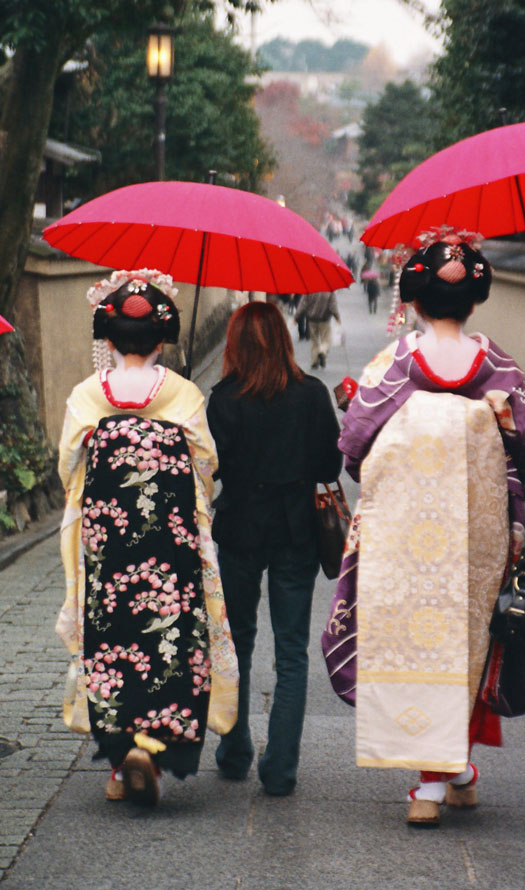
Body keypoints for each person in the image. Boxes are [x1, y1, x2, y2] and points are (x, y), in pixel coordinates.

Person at [323, 235, 525, 825]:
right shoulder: (499, 364)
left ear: (415, 300)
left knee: (414, 632)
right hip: (482, 526)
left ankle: (431, 782)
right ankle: (454, 769)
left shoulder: (395, 363)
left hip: (405, 529)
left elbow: (354, 443)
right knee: (470, 635)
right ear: (475, 302)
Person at [56, 269, 238, 806]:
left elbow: (69, 465)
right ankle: (153, 748)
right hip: (170, 545)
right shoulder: (181, 394)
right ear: (162, 339)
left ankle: (118, 764)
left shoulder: (89, 395)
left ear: (107, 339)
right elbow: (206, 463)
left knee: (113, 637)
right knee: (170, 637)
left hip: (108, 545)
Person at [207, 301, 342, 796]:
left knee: (237, 641)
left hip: (241, 527)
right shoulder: (310, 395)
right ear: (285, 339)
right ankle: (281, 767)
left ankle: (235, 748)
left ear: (235, 345)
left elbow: (212, 467)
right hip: (294, 530)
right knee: (291, 650)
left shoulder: (222, 399)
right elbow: (330, 467)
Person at [293, 290, 341, 370]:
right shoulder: (329, 291)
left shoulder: (309, 290)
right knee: (326, 339)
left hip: (312, 319)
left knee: (314, 341)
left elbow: (303, 304)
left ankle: (314, 361)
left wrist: (296, 317)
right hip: (324, 319)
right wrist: (337, 317)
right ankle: (322, 352)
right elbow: (333, 306)